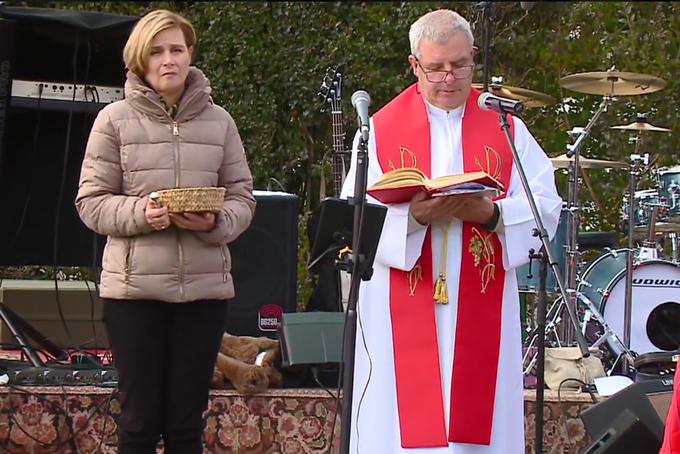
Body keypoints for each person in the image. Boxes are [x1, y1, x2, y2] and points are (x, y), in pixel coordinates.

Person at [340, 8, 562, 453]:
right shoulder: (378, 132)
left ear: (473, 58)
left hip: (479, 298)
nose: (449, 78)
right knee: (399, 424)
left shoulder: (506, 127)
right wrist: (414, 217)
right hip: (399, 298)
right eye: (436, 67)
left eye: (460, 65)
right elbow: (355, 221)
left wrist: (488, 214)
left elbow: (546, 209)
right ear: (414, 65)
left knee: (477, 421)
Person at [75, 9, 256, 454]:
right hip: (134, 296)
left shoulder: (221, 122)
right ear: (140, 59)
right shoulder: (113, 121)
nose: (168, 59)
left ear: (190, 54)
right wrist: (143, 213)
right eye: (156, 51)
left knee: (185, 426)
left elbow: (243, 199)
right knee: (138, 423)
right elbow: (90, 203)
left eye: (176, 49)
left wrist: (216, 222)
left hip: (204, 296)